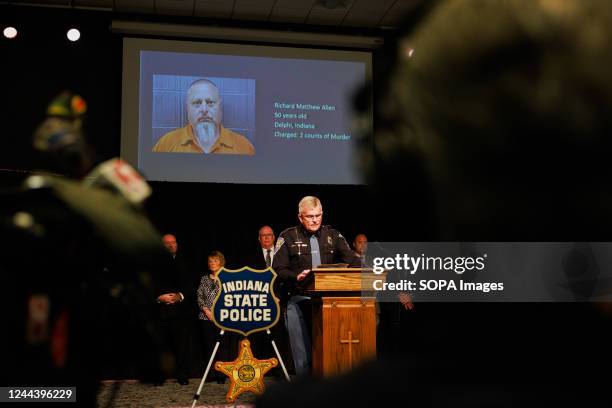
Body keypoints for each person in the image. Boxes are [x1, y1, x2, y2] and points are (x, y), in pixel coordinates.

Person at [272, 196, 360, 376]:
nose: (315, 220)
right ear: (300, 217)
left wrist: (369, 270)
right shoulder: (287, 236)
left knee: (328, 351)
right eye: (310, 216)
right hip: (298, 300)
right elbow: (278, 268)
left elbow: (352, 259)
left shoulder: (333, 235)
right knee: (302, 354)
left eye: (318, 216)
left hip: (328, 303)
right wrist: (297, 276)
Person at [152, 79, 255, 155]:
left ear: (220, 108)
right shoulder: (166, 144)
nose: (204, 109)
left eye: (210, 102)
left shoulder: (244, 146)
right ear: (187, 108)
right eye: (197, 103)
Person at [156, 234, 199, 385]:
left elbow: (193, 284)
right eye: (167, 243)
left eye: (173, 243)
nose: (170, 245)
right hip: (160, 310)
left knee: (182, 345)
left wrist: (180, 296)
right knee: (161, 345)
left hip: (181, 311)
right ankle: (159, 376)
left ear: (177, 245)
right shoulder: (153, 262)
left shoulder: (186, 262)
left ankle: (182, 374)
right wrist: (159, 297)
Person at [196, 250, 229, 383]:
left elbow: (230, 298)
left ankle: (221, 374)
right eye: (210, 261)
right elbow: (200, 296)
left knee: (222, 346)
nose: (212, 263)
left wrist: (218, 313)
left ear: (221, 262)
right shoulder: (204, 278)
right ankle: (211, 373)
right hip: (206, 317)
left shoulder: (227, 278)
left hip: (223, 318)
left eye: (215, 260)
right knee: (209, 346)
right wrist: (206, 311)